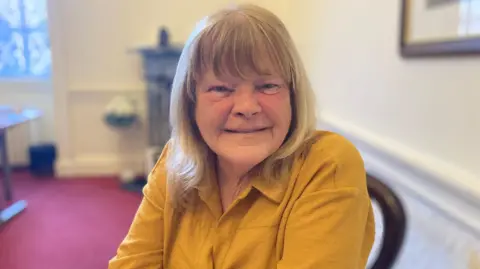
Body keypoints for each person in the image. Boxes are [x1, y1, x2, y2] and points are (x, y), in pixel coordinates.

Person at [109, 4, 375, 269]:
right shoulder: (176, 160)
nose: (246, 107)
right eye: (221, 88)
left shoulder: (327, 165)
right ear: (191, 102)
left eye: (268, 86)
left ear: (292, 96)